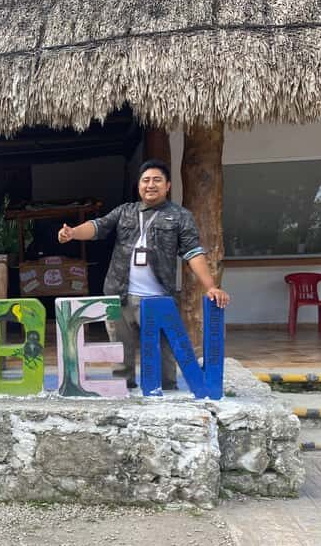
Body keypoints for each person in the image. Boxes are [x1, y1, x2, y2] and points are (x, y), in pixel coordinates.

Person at [58, 159, 231, 389]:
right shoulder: (125, 212)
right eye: (146, 180)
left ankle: (167, 394)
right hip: (119, 296)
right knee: (120, 354)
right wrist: (73, 233)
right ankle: (124, 393)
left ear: (168, 185)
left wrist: (211, 286)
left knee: (163, 357)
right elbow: (98, 226)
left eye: (157, 180)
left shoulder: (180, 216)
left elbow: (193, 253)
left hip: (158, 300)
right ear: (139, 185)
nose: (151, 185)